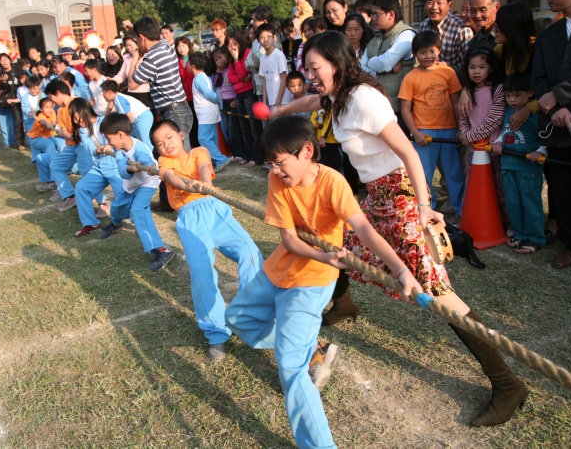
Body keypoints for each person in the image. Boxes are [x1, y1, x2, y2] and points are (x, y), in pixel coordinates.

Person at [276, 31, 528, 427]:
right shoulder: (337, 97)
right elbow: (311, 101)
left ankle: (507, 383)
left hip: (400, 195)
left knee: (436, 291)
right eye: (306, 68)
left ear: (337, 64)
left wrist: (424, 207)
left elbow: (408, 151)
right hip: (378, 195)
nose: (309, 75)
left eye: (314, 67)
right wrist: (278, 111)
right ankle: (343, 304)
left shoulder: (364, 99)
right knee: (337, 241)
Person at [224, 115, 423, 449]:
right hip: (280, 267)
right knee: (237, 318)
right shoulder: (278, 179)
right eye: (271, 164)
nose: (276, 170)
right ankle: (312, 349)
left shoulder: (332, 183)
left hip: (312, 281)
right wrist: (321, 254)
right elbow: (289, 240)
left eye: (280, 162)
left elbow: (364, 229)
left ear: (306, 151)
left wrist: (401, 271)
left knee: (290, 367)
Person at [150, 119, 263, 360]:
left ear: (181, 135)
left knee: (249, 252)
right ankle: (216, 331)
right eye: (159, 143)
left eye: (169, 137)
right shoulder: (164, 162)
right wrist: (192, 187)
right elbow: (172, 178)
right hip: (189, 219)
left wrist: (206, 184)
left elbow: (203, 167)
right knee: (202, 274)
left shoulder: (199, 151)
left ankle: (249, 312)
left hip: (214, 209)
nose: (166, 144)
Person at [531, 0, 571, 269]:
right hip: (557, 123)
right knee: (564, 188)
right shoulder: (548, 34)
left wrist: (560, 95)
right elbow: (538, 78)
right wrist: (554, 105)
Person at [93, 113, 176, 270]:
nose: (109, 142)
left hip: (147, 183)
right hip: (131, 183)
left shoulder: (139, 147)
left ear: (120, 134)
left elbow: (145, 158)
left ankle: (163, 250)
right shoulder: (120, 151)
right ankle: (116, 223)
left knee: (138, 210)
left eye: (109, 139)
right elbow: (122, 169)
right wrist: (130, 168)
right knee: (117, 206)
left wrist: (150, 165)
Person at [129, 17, 194, 212]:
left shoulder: (153, 56)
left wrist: (135, 57)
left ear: (141, 37)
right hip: (176, 110)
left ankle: (188, 202)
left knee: (179, 160)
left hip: (174, 112)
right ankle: (168, 201)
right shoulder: (165, 46)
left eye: (137, 40)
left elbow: (132, 84)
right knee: (164, 157)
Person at [399, 31, 465, 217]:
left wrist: (460, 128)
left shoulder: (448, 72)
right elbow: (405, 109)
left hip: (449, 130)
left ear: (439, 51)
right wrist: (415, 133)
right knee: (424, 174)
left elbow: (456, 102)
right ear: (414, 54)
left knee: (454, 173)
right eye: (422, 52)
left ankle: (461, 209)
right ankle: (427, 208)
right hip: (424, 133)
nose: (428, 56)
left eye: (432, 51)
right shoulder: (411, 77)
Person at [491, 73, 545, 254]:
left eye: (517, 95)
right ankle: (519, 234)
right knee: (513, 203)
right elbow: (505, 132)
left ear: (530, 93)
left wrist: (541, 151)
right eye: (508, 96)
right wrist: (498, 141)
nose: (512, 100)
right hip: (508, 166)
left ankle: (535, 238)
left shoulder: (535, 114)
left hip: (529, 168)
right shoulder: (508, 111)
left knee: (530, 203)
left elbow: (545, 136)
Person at [459, 47, 509, 230]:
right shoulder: (468, 91)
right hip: (475, 150)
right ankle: (470, 220)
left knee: (499, 188)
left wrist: (470, 136)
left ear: (491, 68)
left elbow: (495, 119)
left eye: (481, 67)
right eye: (472, 67)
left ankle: (506, 223)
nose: (476, 71)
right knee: (473, 185)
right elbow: (463, 116)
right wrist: (465, 133)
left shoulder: (497, 89)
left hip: (494, 148)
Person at [360, 0, 416, 126]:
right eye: (372, 14)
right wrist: (378, 69)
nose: (373, 18)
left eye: (377, 14)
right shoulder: (375, 39)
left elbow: (385, 63)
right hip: (379, 108)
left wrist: (373, 63)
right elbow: (361, 68)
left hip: (400, 110)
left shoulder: (406, 35)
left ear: (391, 14)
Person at [187, 52, 231, 172]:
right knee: (211, 138)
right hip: (210, 112)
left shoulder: (198, 78)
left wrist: (217, 101)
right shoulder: (203, 76)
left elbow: (209, 94)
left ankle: (221, 159)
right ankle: (215, 161)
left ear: (192, 65)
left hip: (206, 112)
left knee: (203, 138)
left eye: (188, 63)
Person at [417, 0, 474, 75]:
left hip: (452, 81)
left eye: (439, 3)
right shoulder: (424, 26)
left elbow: (469, 67)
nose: (434, 7)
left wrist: (447, 68)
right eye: (430, 2)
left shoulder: (461, 29)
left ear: (449, 5)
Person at [226, 30, 263, 167]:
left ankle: (257, 157)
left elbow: (242, 74)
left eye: (234, 44)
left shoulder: (247, 53)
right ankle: (247, 155)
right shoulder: (231, 59)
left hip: (249, 94)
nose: (232, 47)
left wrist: (236, 60)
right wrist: (241, 78)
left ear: (240, 42)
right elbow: (231, 78)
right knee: (244, 129)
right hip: (239, 95)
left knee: (254, 128)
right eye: (229, 45)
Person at [101, 79, 154, 149]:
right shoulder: (117, 98)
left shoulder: (118, 99)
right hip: (138, 119)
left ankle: (151, 155)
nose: (103, 96)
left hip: (141, 117)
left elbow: (128, 116)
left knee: (145, 141)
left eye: (104, 93)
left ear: (110, 92)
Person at [212, 47, 240, 161]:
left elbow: (238, 84)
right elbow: (216, 83)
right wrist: (218, 69)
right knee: (227, 130)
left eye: (220, 57)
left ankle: (239, 153)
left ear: (227, 55)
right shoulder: (220, 71)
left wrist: (237, 99)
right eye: (216, 60)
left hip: (234, 101)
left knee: (234, 130)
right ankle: (233, 153)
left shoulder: (231, 68)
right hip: (225, 103)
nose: (218, 61)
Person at [30, 97, 60, 192]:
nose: (50, 110)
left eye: (51, 107)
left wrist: (55, 123)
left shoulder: (53, 112)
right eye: (46, 107)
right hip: (36, 139)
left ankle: (61, 169)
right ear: (41, 109)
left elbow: (54, 121)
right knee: (50, 146)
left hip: (48, 137)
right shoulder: (41, 116)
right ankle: (52, 180)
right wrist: (49, 125)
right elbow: (44, 123)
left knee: (61, 143)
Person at [0, 53, 26, 149]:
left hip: (24, 97)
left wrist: (24, 80)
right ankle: (20, 143)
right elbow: (3, 89)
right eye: (2, 60)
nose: (4, 62)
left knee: (29, 119)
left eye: (6, 59)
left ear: (10, 60)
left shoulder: (17, 68)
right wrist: (4, 82)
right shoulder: (1, 74)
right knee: (18, 120)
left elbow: (25, 78)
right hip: (13, 99)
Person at [257, 23, 288, 111]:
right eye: (262, 37)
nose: (265, 40)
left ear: (274, 37)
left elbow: (284, 78)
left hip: (282, 101)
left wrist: (278, 101)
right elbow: (265, 81)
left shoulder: (279, 55)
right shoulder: (262, 58)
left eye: (268, 36)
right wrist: (264, 103)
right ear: (258, 41)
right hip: (271, 101)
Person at [175, 36, 199, 149]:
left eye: (183, 45)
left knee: (198, 122)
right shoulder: (176, 62)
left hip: (196, 96)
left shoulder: (194, 59)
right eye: (179, 46)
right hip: (184, 98)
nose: (181, 48)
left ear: (189, 46)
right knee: (190, 123)